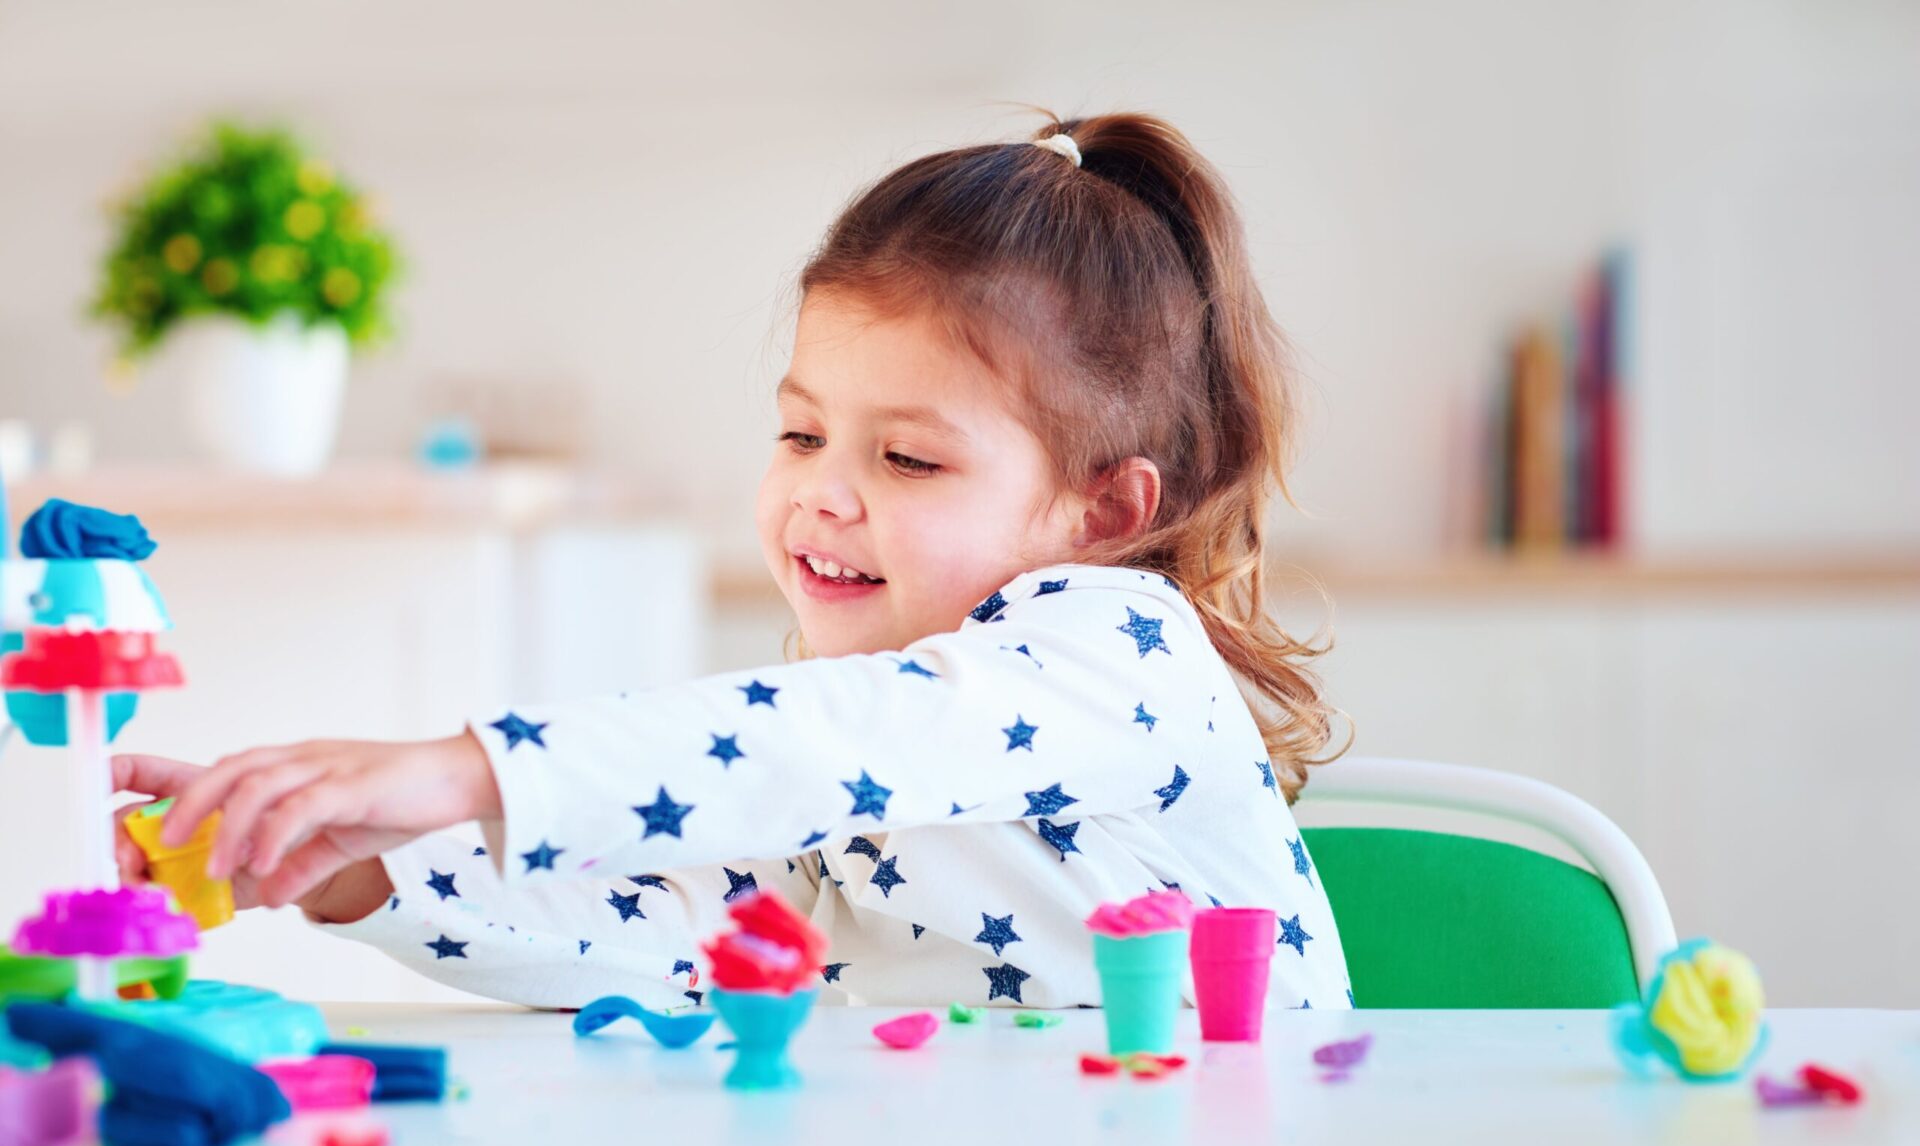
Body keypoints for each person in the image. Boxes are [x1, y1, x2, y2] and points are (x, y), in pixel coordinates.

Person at [115, 112, 1352, 1012]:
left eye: (909, 459)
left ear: (1099, 510)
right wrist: (363, 870)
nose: (822, 487)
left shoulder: (1118, 647)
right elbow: (690, 935)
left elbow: (860, 736)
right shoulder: (844, 759)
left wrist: (456, 771)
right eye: (804, 432)